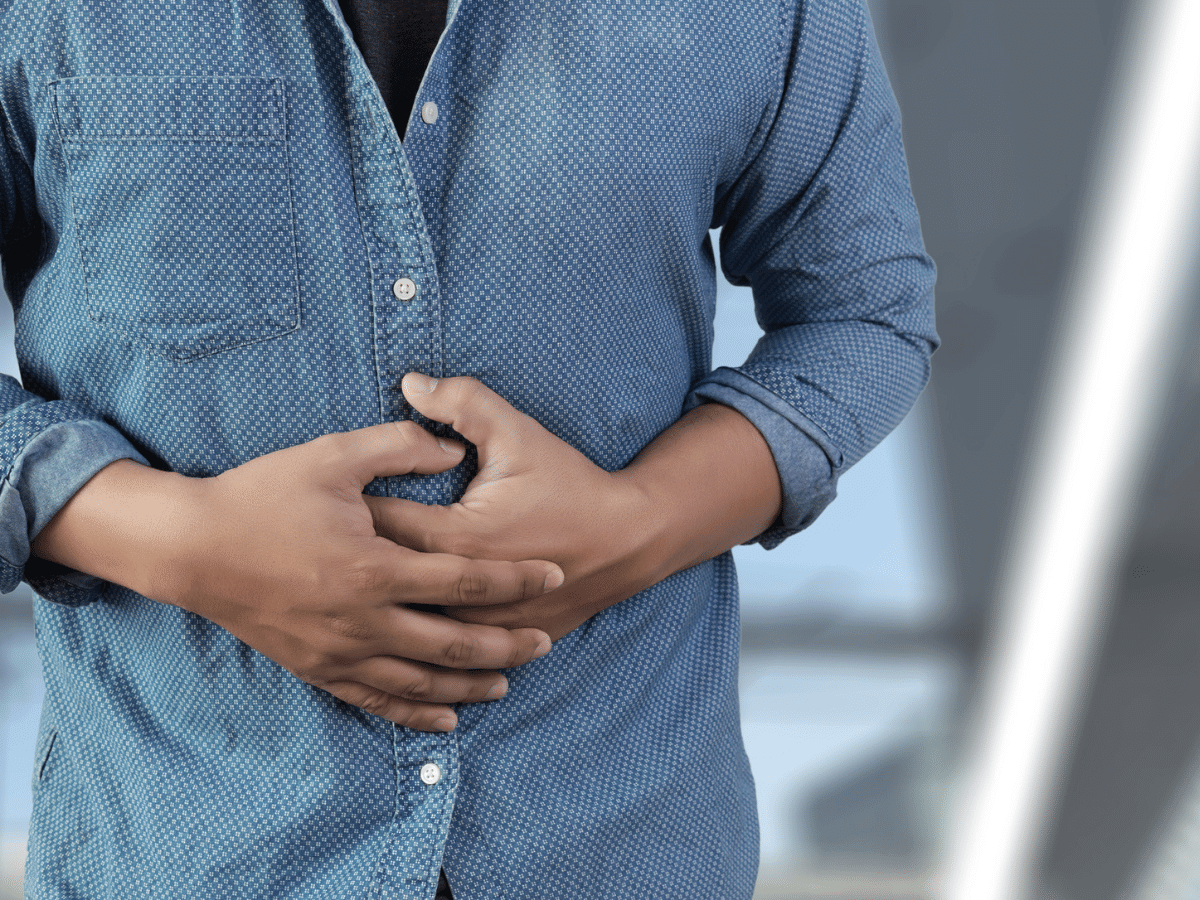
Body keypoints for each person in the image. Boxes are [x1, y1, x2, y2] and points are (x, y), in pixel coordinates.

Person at [0, 0, 937, 895]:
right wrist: (179, 542)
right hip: (184, 850)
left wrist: (640, 524)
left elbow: (864, 309)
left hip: (623, 844)